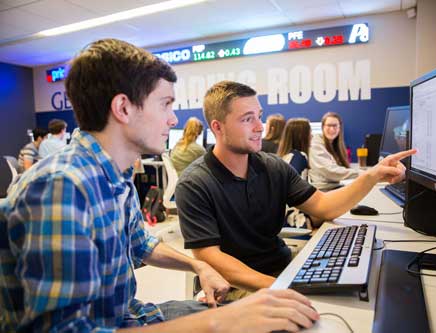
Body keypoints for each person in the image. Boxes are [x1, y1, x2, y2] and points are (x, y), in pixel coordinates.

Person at [0, 39, 319, 333]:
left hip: (129, 314)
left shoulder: (115, 178)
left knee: (276, 318)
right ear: (123, 108)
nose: (172, 118)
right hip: (115, 324)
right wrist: (220, 320)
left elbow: (142, 244)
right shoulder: (63, 188)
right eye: (165, 104)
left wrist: (198, 265)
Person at [176, 80, 415, 293]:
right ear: (217, 127)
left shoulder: (273, 167)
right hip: (238, 286)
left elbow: (323, 206)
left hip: (281, 268)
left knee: (369, 281)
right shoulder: (194, 183)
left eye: (260, 116)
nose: (260, 127)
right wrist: (283, 287)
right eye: (248, 119)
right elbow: (210, 257)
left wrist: (371, 176)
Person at [309, 112, 359, 191]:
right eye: (329, 125)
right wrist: (361, 173)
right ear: (322, 127)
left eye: (335, 126)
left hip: (333, 188)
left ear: (340, 128)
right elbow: (330, 171)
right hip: (323, 191)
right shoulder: (315, 144)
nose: (332, 129)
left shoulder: (335, 145)